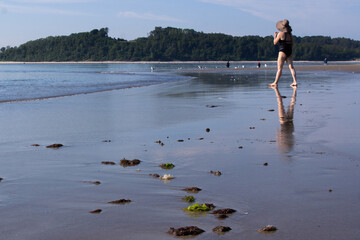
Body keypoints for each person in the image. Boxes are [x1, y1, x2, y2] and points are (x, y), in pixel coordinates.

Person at [269, 19, 297, 87]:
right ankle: (295, 81)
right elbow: (292, 44)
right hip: (289, 51)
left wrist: (275, 36)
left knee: (279, 68)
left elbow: (275, 42)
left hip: (282, 51)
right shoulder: (290, 35)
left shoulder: (281, 34)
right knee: (291, 67)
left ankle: (275, 82)